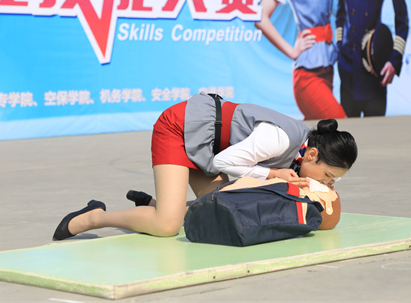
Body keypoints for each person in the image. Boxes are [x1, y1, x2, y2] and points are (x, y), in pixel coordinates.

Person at [52, 92, 358, 240]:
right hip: (181, 130)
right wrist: (273, 174)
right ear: (312, 155)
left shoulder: (300, 151)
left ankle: (154, 205)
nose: (328, 184)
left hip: (208, 145)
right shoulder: (281, 139)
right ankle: (94, 217)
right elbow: (224, 162)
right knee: (167, 225)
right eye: (329, 176)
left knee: (223, 207)